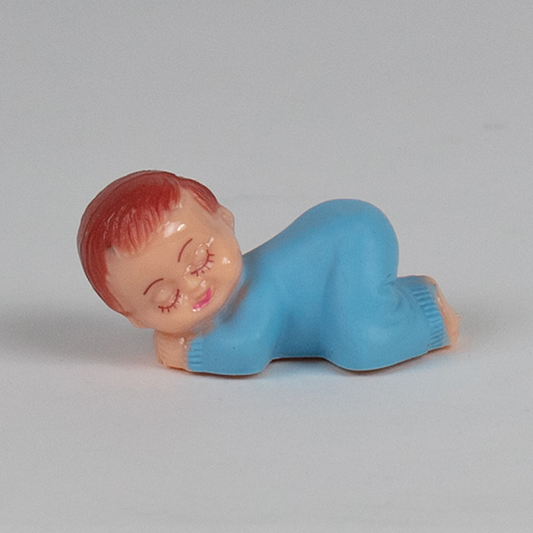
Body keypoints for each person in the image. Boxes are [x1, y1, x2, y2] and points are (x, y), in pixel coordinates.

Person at [78, 170, 460, 375]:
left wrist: (186, 352)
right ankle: (388, 301)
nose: (194, 286)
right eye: (166, 298)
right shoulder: (230, 306)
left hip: (352, 243)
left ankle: (430, 312)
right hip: (336, 242)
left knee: (362, 345)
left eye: (199, 260)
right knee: (353, 332)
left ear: (224, 220)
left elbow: (247, 352)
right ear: (134, 317)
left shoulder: (255, 293)